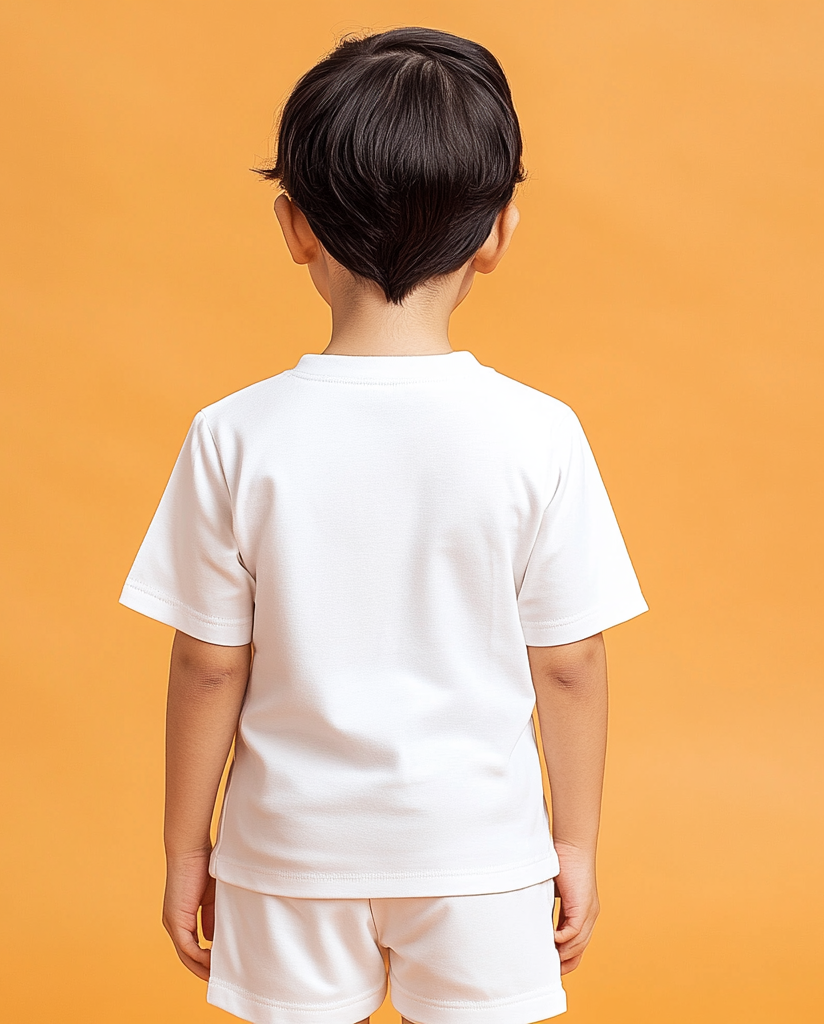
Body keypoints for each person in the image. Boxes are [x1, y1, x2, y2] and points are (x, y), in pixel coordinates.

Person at [119, 26, 648, 1024]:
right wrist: (569, 842)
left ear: (295, 227)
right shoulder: (538, 434)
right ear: (496, 233)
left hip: (287, 851)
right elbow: (570, 661)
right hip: (481, 850)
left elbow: (206, 662)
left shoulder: (233, 434)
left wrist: (188, 846)